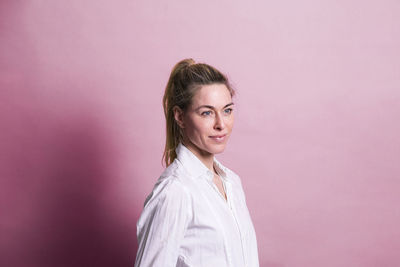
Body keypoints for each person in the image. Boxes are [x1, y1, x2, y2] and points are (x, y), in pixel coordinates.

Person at [134, 58, 259, 267]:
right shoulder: (175, 191)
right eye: (207, 113)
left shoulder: (232, 183)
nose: (221, 124)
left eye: (227, 110)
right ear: (180, 117)